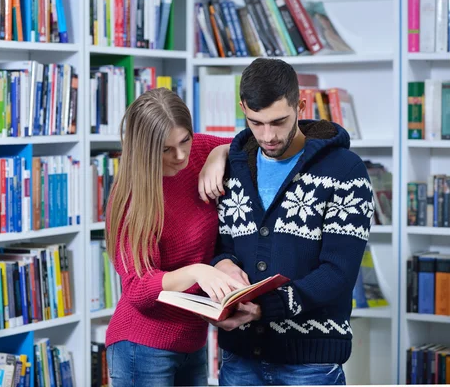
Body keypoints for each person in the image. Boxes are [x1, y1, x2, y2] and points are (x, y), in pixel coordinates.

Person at [210, 58, 374, 386]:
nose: (268, 136)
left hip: (310, 363)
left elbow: (339, 272)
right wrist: (223, 265)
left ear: (300, 105)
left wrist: (264, 308)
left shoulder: (345, 172)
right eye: (256, 123)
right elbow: (223, 245)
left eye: (279, 121)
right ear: (243, 108)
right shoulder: (235, 168)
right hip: (238, 358)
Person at [104, 87, 260, 386]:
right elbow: (138, 290)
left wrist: (219, 153)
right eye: (165, 149)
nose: (180, 155)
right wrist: (198, 272)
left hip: (193, 341)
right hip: (141, 346)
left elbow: (262, 142)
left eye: (184, 140)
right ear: (144, 148)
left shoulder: (199, 150)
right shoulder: (130, 199)